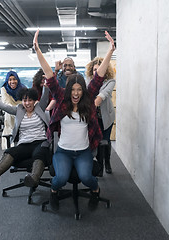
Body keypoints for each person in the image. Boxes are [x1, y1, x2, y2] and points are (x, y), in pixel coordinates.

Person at [33, 29, 115, 211]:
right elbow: (49, 75)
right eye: (73, 90)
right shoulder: (61, 98)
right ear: (68, 89)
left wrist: (111, 51)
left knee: (87, 177)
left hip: (84, 151)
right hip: (63, 151)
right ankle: (54, 193)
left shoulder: (88, 98)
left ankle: (95, 190)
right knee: (60, 179)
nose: (76, 93)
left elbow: (99, 76)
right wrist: (38, 50)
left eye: (79, 89)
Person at [0, 85, 51, 189]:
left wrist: (46, 85)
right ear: (22, 101)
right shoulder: (19, 110)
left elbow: (45, 97)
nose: (27, 103)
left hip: (40, 142)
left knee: (40, 153)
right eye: (25, 100)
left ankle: (34, 179)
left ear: (34, 101)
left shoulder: (40, 108)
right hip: (24, 144)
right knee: (10, 151)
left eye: (30, 100)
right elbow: (3, 106)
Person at [85, 57, 116, 175]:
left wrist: (97, 99)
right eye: (94, 70)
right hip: (94, 117)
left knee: (106, 141)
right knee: (97, 141)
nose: (96, 72)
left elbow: (104, 93)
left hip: (106, 117)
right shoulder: (88, 81)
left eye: (98, 69)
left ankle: (107, 162)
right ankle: (99, 165)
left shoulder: (110, 81)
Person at [0, 71, 25, 150]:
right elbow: (6, 103)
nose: (12, 82)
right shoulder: (4, 89)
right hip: (10, 113)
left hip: (21, 112)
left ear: (17, 80)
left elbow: (25, 102)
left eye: (14, 79)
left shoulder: (23, 88)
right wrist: (14, 109)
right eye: (10, 80)